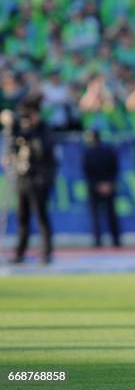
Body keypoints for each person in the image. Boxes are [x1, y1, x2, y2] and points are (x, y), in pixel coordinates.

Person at [8, 94, 57, 264]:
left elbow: (41, 150)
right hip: (23, 178)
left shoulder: (44, 130)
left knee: (41, 216)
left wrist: (32, 131)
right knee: (22, 217)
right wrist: (12, 129)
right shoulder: (21, 130)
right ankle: (20, 253)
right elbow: (11, 149)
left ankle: (46, 253)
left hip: (39, 179)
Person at [82, 130, 121, 248]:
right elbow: (115, 169)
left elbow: (87, 172)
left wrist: (98, 185)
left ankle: (98, 240)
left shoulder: (88, 153)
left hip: (95, 187)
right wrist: (108, 184)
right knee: (110, 215)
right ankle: (115, 240)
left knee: (96, 215)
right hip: (107, 186)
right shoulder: (109, 151)